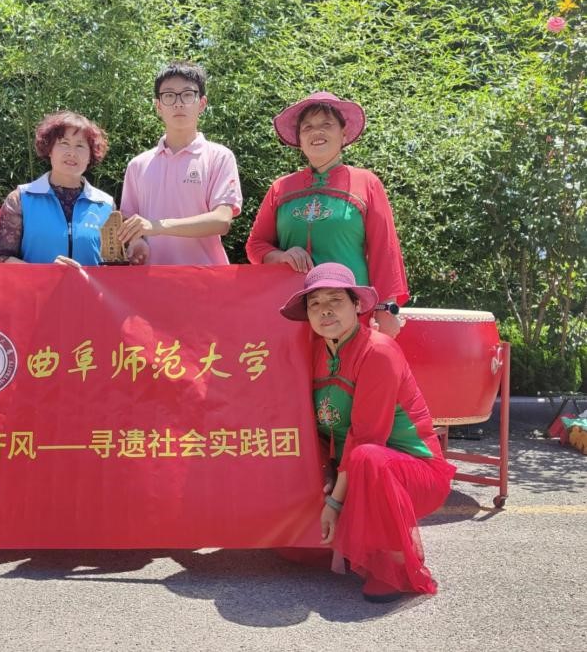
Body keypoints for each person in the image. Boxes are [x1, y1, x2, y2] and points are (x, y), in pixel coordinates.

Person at [279, 262, 455, 602]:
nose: (325, 310)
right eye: (315, 303)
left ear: (357, 305)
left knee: (368, 457)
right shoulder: (312, 352)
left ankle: (395, 565)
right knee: (295, 548)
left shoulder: (378, 351)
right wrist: (322, 474)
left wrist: (333, 503)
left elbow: (366, 437)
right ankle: (354, 543)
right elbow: (310, 427)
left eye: (335, 300)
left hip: (411, 473)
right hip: (350, 468)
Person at [246, 92, 407, 336]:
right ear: (299, 139)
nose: (316, 132)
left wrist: (386, 309)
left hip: (350, 311)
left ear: (344, 134)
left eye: (327, 124)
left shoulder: (367, 183)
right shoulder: (281, 188)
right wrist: (282, 256)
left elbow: (384, 252)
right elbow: (256, 246)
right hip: (292, 313)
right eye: (307, 127)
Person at [117, 61, 242, 265]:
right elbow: (129, 221)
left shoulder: (220, 156)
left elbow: (221, 220)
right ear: (158, 105)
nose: (178, 103)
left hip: (205, 277)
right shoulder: (137, 165)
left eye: (187, 94)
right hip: (150, 278)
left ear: (202, 103)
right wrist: (136, 241)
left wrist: (158, 226)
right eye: (169, 95)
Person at [0, 111, 117, 267]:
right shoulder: (21, 199)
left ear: (90, 155)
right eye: (64, 143)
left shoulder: (105, 205)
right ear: (49, 149)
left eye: (80, 145)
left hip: (90, 285)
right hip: (36, 284)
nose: (72, 153)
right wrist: (47, 274)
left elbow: (114, 264)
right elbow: (1, 258)